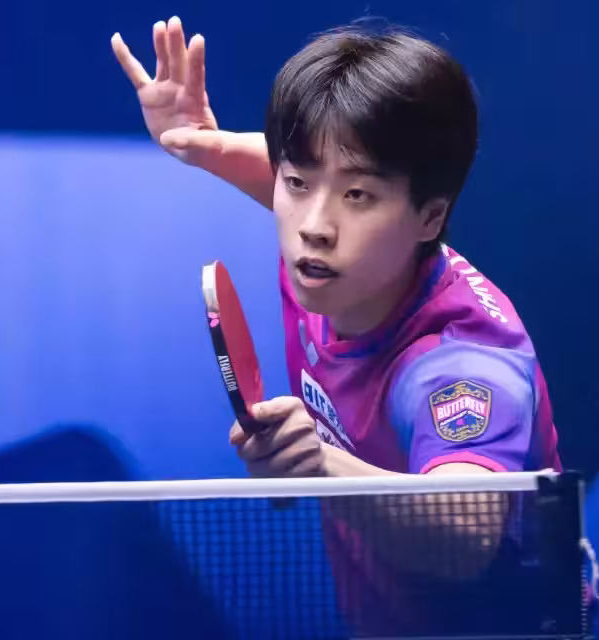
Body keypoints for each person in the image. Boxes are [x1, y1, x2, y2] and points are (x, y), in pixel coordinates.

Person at [111, 17, 564, 635]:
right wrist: (202, 143)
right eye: (297, 184)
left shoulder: (460, 362)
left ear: (430, 217)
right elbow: (298, 173)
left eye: (358, 196)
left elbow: (467, 534)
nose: (313, 226)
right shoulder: (329, 259)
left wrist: (319, 466)